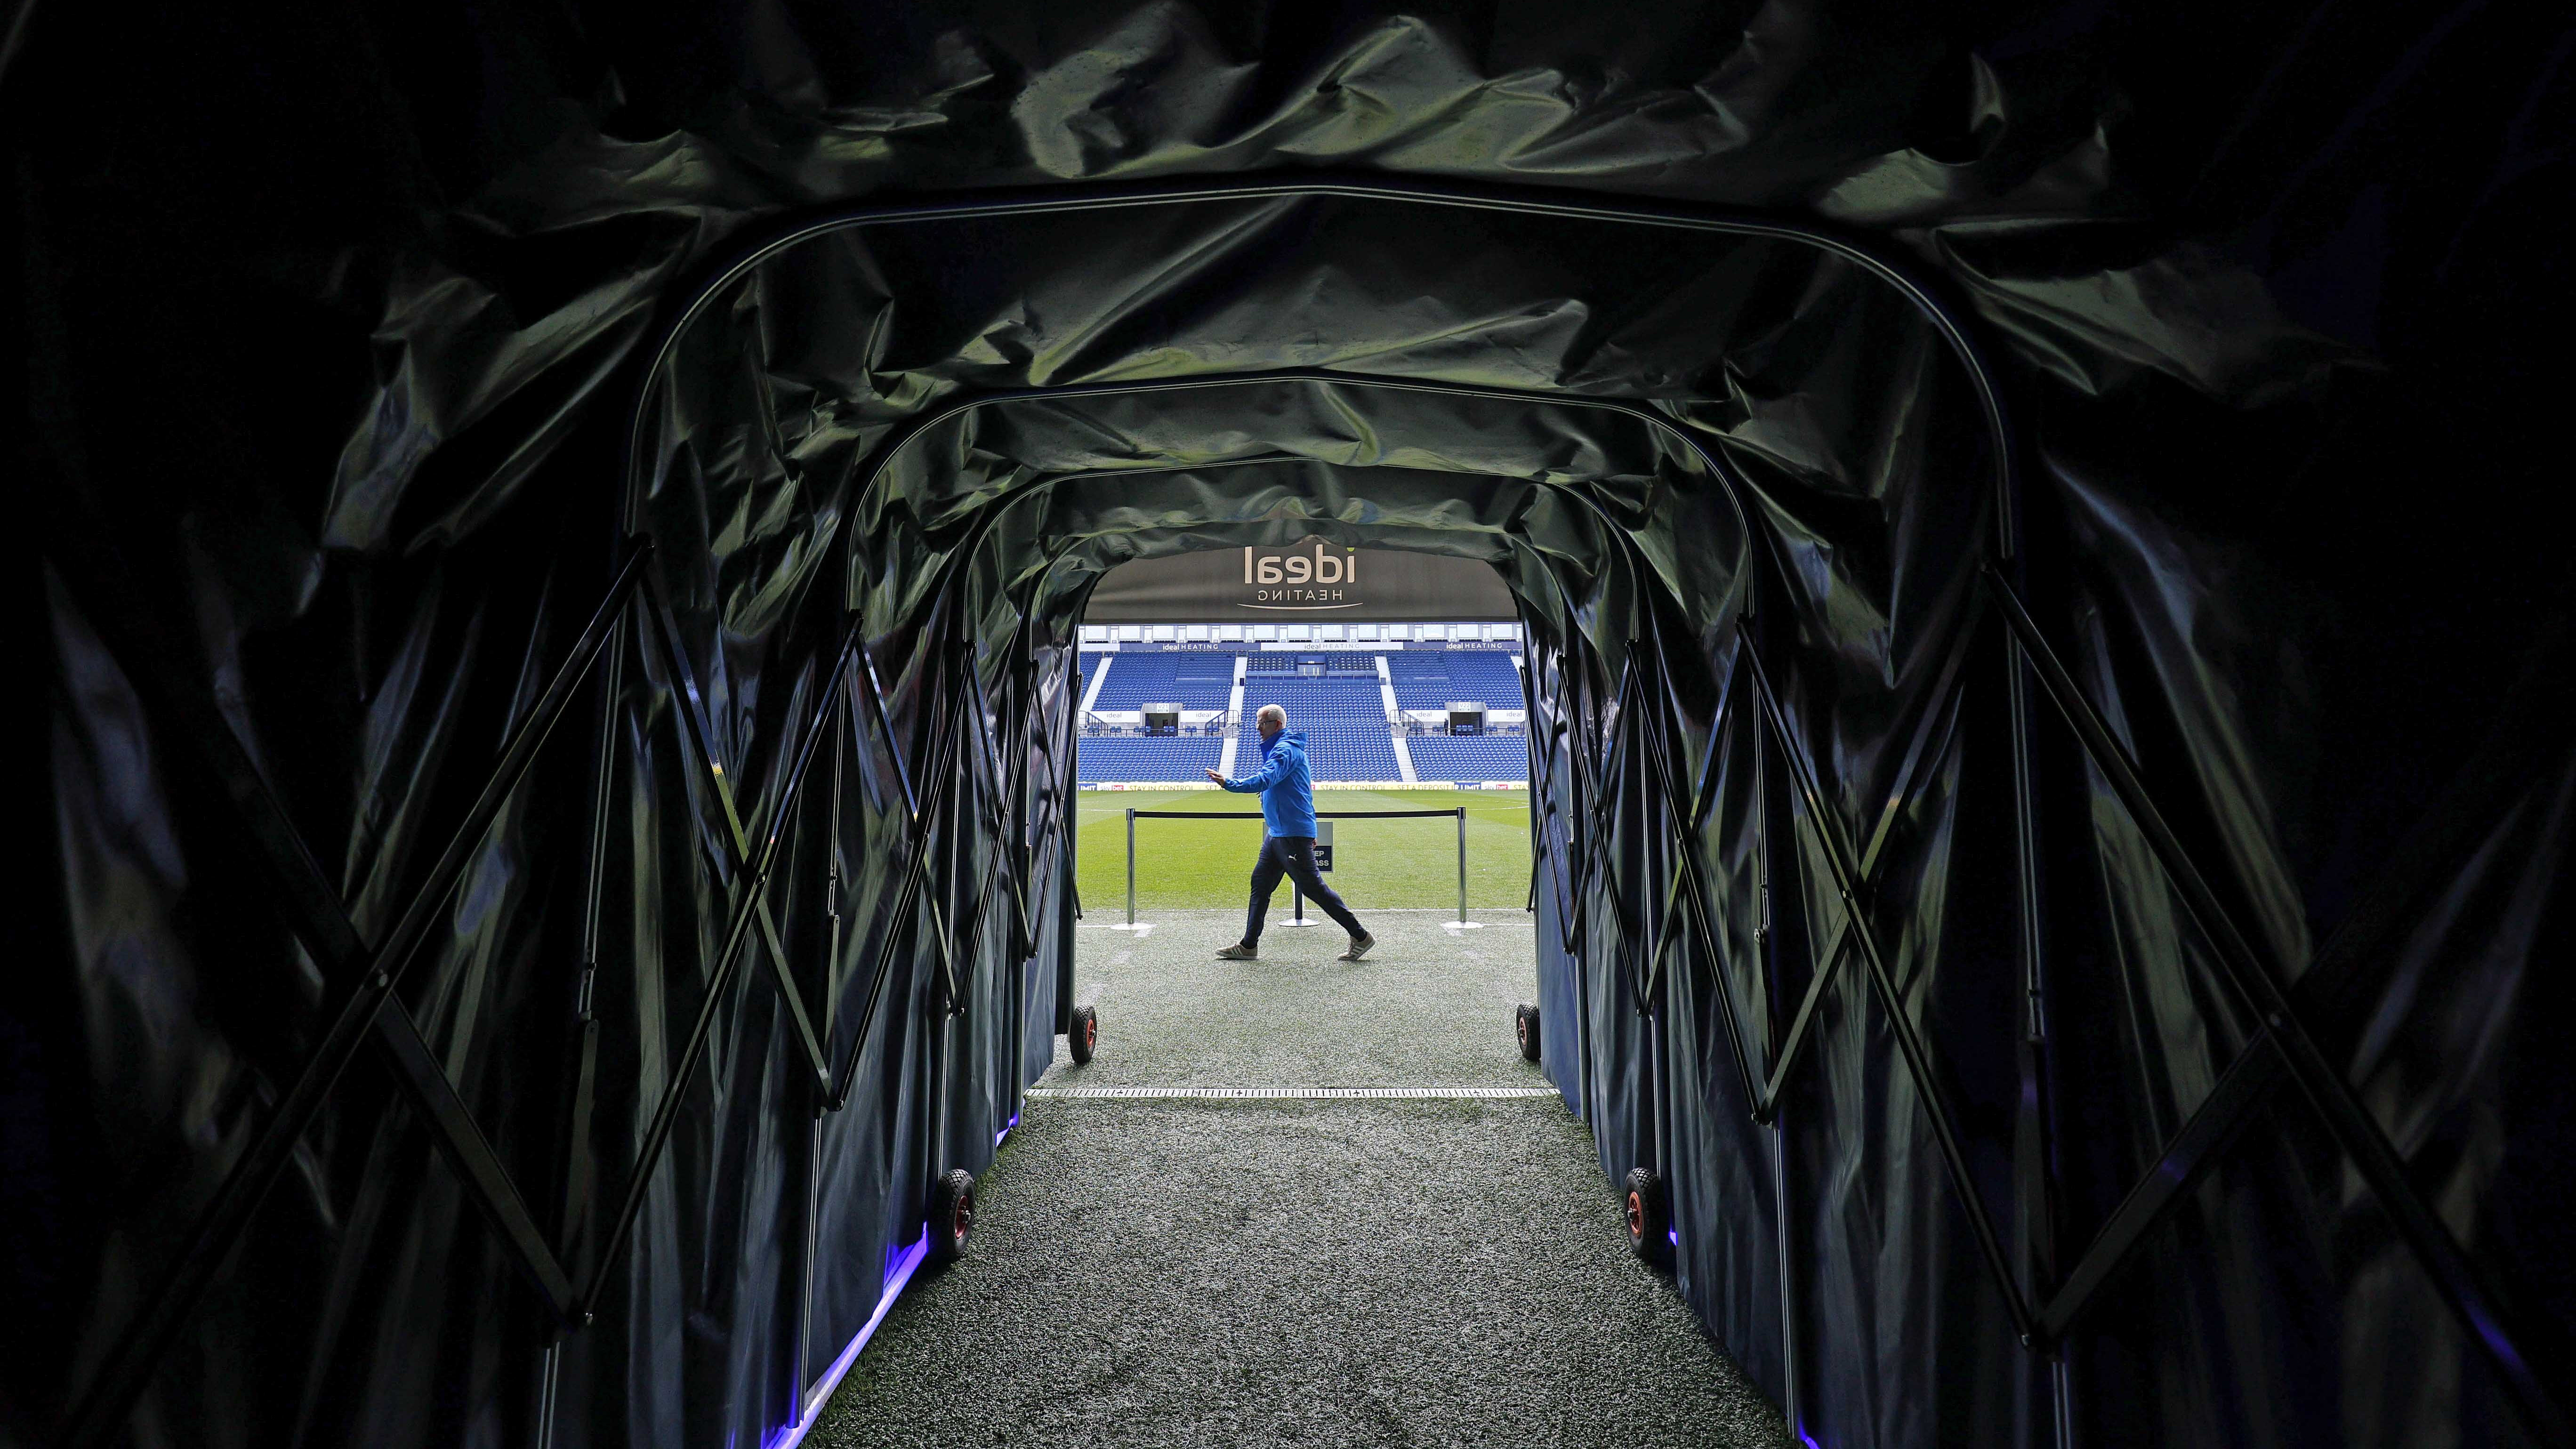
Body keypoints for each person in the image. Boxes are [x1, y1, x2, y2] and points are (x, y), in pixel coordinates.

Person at [1203, 703, 1375, 961]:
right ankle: (1249, 945)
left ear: (1277, 725)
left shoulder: (1285, 751)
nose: (1257, 728)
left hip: (1291, 835)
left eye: (1261, 723)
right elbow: (1298, 791)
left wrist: (1230, 784)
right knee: (1260, 886)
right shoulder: (1282, 750)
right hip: (1278, 834)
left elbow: (1266, 779)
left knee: (1314, 889)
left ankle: (1361, 936)